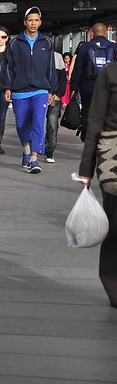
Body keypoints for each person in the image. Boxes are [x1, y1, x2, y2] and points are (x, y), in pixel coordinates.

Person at [77, 60, 117, 308]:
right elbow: (96, 121)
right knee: (115, 225)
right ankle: (114, 284)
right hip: (113, 156)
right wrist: (86, 168)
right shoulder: (110, 72)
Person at [0, 6, 57, 174]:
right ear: (25, 22)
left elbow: (51, 68)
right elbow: (7, 67)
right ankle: (26, 149)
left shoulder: (47, 42)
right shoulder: (14, 43)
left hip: (40, 90)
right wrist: (7, 87)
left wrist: (51, 90)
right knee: (21, 124)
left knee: (39, 122)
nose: (33, 23)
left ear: (40, 22)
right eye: (30, 20)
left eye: (36, 20)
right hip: (19, 90)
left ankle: (34, 158)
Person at [70, 23, 117, 141]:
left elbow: (78, 69)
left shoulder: (85, 48)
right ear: (106, 32)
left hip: (89, 88)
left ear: (92, 32)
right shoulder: (114, 47)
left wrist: (74, 87)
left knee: (88, 112)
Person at [43, 51, 67, 163]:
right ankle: (35, 148)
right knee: (36, 123)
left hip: (54, 96)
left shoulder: (57, 57)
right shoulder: (34, 53)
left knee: (52, 124)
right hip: (38, 95)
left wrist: (59, 94)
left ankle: (49, 151)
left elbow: (62, 78)